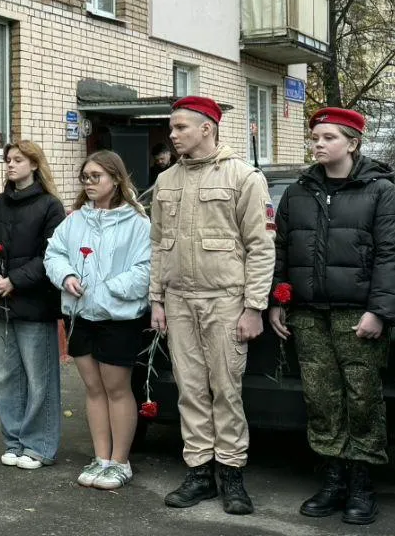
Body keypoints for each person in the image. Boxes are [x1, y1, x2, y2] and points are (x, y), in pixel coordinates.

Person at [269, 107, 395, 526]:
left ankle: (362, 483)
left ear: (352, 143)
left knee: (363, 398)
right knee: (320, 398)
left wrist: (379, 313)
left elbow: (394, 255)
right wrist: (278, 298)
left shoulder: (379, 190)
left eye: (328, 137)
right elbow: (281, 249)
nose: (318, 143)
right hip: (310, 315)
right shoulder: (299, 191)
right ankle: (331, 479)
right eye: (315, 137)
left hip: (358, 316)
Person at [149, 96, 274, 515]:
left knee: (226, 390)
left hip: (224, 301)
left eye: (180, 127)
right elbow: (157, 246)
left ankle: (231, 475)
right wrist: (156, 300)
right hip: (179, 301)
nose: (173, 133)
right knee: (190, 391)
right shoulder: (166, 181)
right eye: (172, 127)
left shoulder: (244, 177)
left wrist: (254, 306)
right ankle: (199, 472)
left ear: (207, 128)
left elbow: (260, 247)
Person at [45, 150, 151, 489]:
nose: (89, 183)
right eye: (85, 177)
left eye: (96, 177)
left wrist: (108, 290)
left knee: (117, 389)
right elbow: (54, 253)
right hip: (79, 314)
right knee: (92, 388)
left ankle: (121, 461)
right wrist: (66, 276)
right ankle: (101, 457)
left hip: (118, 316)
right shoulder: (75, 219)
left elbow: (146, 269)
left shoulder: (138, 222)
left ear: (116, 179)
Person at [0, 141, 66, 470]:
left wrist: (15, 279)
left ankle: (39, 445)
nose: (11, 165)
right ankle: (14, 441)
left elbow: (51, 256)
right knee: (3, 376)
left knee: (39, 376)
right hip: (1, 302)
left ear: (34, 165)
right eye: (8, 160)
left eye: (18, 160)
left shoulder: (50, 206)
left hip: (34, 302)